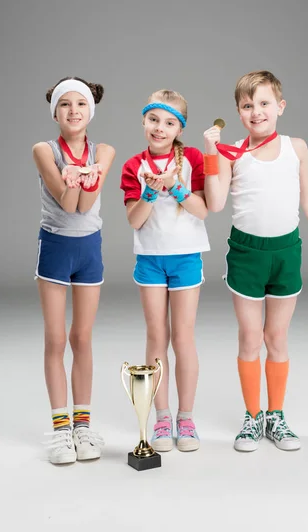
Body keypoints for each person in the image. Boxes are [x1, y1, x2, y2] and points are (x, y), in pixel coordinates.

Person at [203, 70, 308, 452]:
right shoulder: (233, 152)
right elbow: (215, 204)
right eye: (247, 106)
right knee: (250, 337)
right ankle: (252, 417)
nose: (256, 111)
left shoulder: (296, 147)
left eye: (264, 103)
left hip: (286, 253)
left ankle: (276, 416)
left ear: (280, 107)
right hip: (246, 255)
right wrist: (211, 156)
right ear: (238, 112)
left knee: (276, 337)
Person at [120, 89, 210, 452]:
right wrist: (150, 193)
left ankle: (185, 419)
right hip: (150, 259)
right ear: (144, 121)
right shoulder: (133, 165)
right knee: (156, 336)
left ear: (180, 128)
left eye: (169, 122)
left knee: (183, 338)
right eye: (154, 120)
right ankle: (160, 418)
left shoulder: (191, 158)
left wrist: (177, 187)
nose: (160, 128)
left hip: (186, 257)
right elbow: (134, 221)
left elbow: (203, 211)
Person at [33, 76, 115, 464]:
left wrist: (86, 175)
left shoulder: (106, 150)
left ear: (90, 111)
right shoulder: (44, 150)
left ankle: (82, 427)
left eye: (80, 104)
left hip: (89, 249)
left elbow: (86, 208)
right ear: (55, 112)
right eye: (65, 104)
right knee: (56, 340)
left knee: (82, 338)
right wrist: (73, 177)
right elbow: (68, 206)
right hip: (56, 247)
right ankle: (60, 429)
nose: (73, 111)